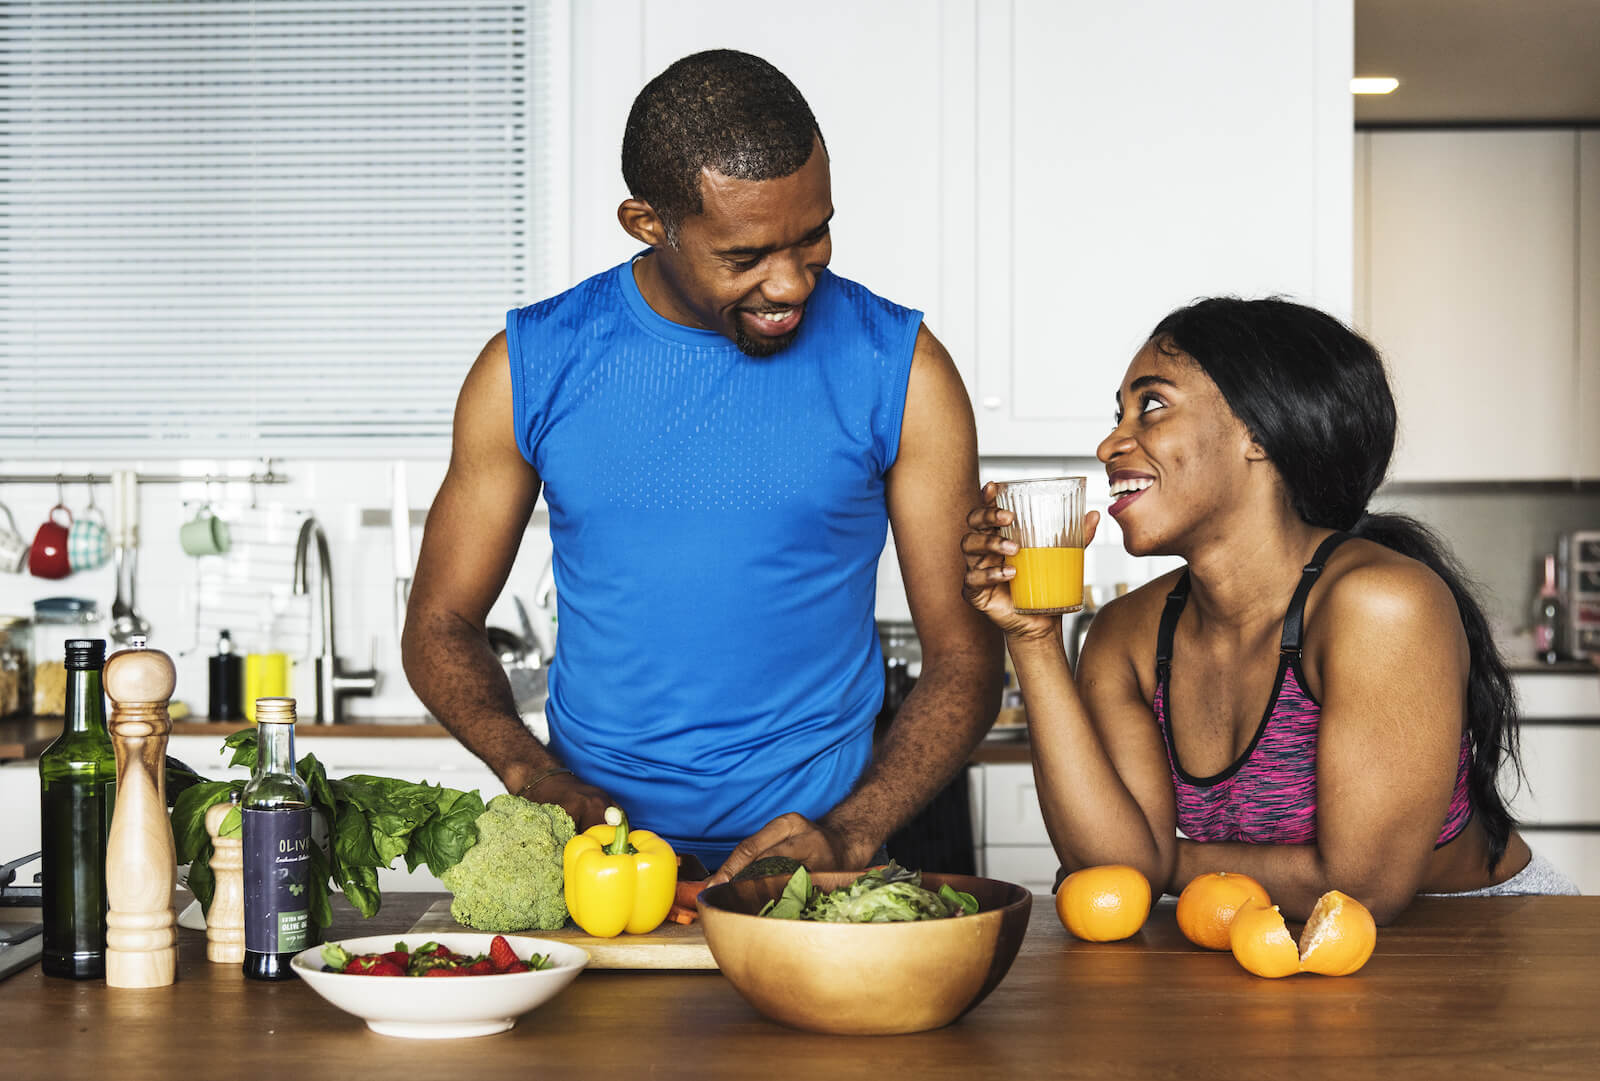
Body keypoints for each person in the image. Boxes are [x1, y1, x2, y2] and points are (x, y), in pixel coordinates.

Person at [403, 49, 1000, 879]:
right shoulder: (530, 366)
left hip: (820, 864)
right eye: (745, 255)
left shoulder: (902, 367)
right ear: (648, 223)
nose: (790, 283)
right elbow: (438, 627)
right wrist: (531, 772)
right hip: (601, 863)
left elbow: (966, 659)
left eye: (813, 235)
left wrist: (854, 830)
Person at [962, 297, 1578, 924]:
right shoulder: (1128, 634)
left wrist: (1165, 864)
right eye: (1118, 413)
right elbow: (1115, 875)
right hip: (1259, 940)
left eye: (1151, 405)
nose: (1109, 443)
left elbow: (1360, 892)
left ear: (1258, 431)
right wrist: (1033, 639)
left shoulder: (1381, 605)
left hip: (1478, 937)